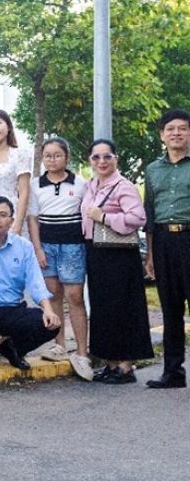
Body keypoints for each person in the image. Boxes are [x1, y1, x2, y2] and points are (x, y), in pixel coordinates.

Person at [80, 139, 153, 384]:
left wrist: (104, 217)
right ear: (90, 160)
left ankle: (125, 367)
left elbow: (137, 217)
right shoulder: (91, 186)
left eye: (107, 156)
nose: (101, 161)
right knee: (102, 309)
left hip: (119, 255)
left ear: (116, 159)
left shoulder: (124, 186)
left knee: (121, 309)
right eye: (96, 157)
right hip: (96, 252)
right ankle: (111, 364)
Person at [0, 196, 62, 370]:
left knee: (50, 325)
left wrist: (48, 309)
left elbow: (36, 281)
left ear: (11, 220)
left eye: (3, 215)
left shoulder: (23, 246)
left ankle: (12, 349)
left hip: (12, 309)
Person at [27, 137, 91, 378]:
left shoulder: (81, 184)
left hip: (73, 246)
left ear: (67, 157)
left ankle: (83, 351)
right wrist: (38, 249)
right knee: (52, 294)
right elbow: (33, 218)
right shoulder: (36, 185)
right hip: (47, 246)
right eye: (48, 156)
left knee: (74, 296)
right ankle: (59, 345)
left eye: (57, 155)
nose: (52, 160)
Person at [144, 109, 190, 389]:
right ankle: (173, 373)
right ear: (162, 135)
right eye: (170, 129)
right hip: (162, 241)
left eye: (182, 128)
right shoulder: (152, 169)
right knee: (170, 309)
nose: (176, 133)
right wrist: (150, 254)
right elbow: (149, 212)